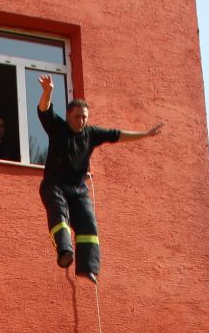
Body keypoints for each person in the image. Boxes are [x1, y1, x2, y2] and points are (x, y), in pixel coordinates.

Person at [35, 74, 162, 281]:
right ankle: (65, 251)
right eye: (77, 117)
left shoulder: (91, 134)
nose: (81, 121)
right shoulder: (57, 127)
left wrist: (145, 134)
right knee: (59, 214)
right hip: (55, 185)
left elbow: (117, 135)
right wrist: (48, 91)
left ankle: (88, 267)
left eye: (84, 117)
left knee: (88, 222)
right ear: (68, 116)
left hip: (78, 189)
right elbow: (44, 110)